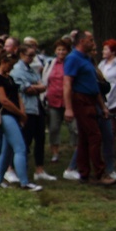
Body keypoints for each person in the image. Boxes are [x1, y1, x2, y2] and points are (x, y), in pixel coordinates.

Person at [64, 31, 116, 186]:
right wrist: (68, 108)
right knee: (95, 136)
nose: (93, 43)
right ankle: (100, 173)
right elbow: (67, 83)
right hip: (81, 100)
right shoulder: (73, 59)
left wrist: (102, 106)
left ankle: (84, 173)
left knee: (85, 138)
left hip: (92, 99)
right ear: (81, 41)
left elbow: (94, 86)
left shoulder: (87, 59)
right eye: (90, 40)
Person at [0, 51, 43, 191]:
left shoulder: (9, 78)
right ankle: (24, 182)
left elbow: (17, 95)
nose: (12, 68)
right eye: (10, 65)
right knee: (20, 148)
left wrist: (22, 113)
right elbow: (4, 101)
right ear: (3, 62)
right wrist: (20, 113)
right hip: (6, 116)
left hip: (14, 115)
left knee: (6, 151)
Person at [11, 44, 56, 182]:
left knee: (40, 139)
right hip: (27, 108)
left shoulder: (31, 70)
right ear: (21, 54)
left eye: (33, 55)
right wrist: (37, 87)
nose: (31, 58)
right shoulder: (17, 70)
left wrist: (36, 87)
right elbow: (26, 89)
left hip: (38, 107)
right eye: (29, 55)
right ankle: (18, 168)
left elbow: (42, 85)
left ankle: (39, 169)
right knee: (26, 140)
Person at [42, 39, 77, 168]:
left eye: (63, 49)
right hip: (53, 100)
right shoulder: (50, 63)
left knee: (74, 128)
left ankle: (76, 151)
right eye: (59, 49)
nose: (61, 52)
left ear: (68, 51)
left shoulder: (71, 63)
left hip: (69, 101)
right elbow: (45, 80)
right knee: (54, 128)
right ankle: (55, 153)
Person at [99, 39, 116, 173]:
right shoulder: (102, 64)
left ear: (113, 51)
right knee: (111, 131)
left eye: (106, 49)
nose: (103, 51)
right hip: (107, 102)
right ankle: (111, 157)